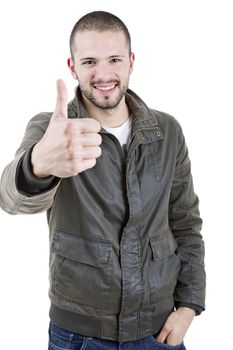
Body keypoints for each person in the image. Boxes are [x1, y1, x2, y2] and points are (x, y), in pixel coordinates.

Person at [0, 10, 205, 350]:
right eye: (90, 61)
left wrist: (189, 305)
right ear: (72, 66)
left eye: (114, 59)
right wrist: (38, 164)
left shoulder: (168, 131)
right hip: (79, 336)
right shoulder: (52, 129)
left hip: (160, 332)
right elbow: (10, 197)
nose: (104, 73)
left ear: (131, 62)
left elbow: (185, 222)